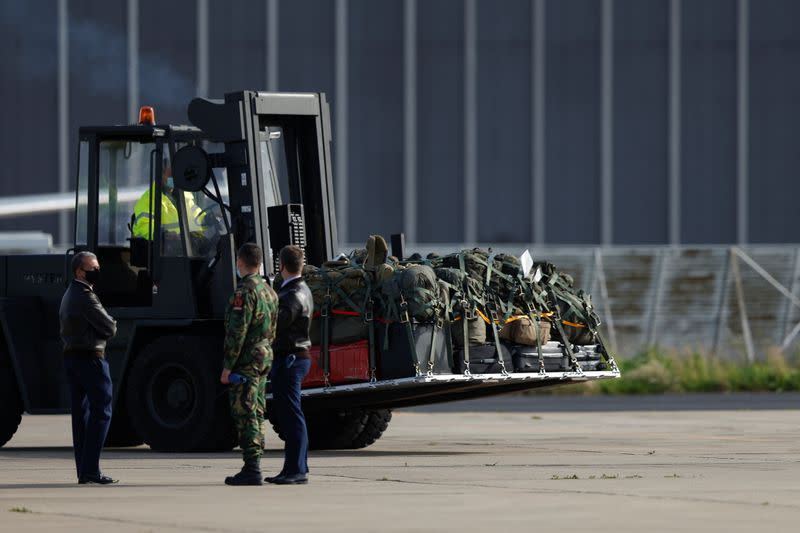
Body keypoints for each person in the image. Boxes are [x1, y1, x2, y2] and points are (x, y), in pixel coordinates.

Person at [221, 243, 279, 486]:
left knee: (245, 411)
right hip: (264, 355)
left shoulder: (244, 292)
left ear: (240, 262)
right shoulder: (270, 291)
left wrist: (227, 367)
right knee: (256, 409)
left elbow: (237, 332)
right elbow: (273, 329)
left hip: (246, 359)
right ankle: (254, 462)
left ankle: (252, 467)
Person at [59, 251, 118, 485]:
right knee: (102, 411)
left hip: (73, 358)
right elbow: (109, 327)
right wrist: (112, 324)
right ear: (79, 271)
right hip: (91, 359)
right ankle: (91, 469)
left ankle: (84, 470)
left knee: (81, 416)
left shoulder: (69, 293)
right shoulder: (86, 296)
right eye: (93, 267)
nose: (97, 271)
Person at [265, 245, 313, 485]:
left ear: (281, 266)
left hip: (290, 358)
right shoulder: (302, 289)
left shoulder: (291, 294)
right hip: (296, 357)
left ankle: (297, 470)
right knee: (290, 414)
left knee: (291, 415)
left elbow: (278, 323)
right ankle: (293, 468)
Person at [131, 160, 204, 241]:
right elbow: (144, 226)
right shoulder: (148, 199)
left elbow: (197, 216)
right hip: (164, 250)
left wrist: (207, 219)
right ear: (160, 175)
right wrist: (164, 235)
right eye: (170, 175)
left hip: (186, 248)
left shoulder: (185, 195)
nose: (173, 179)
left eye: (176, 175)